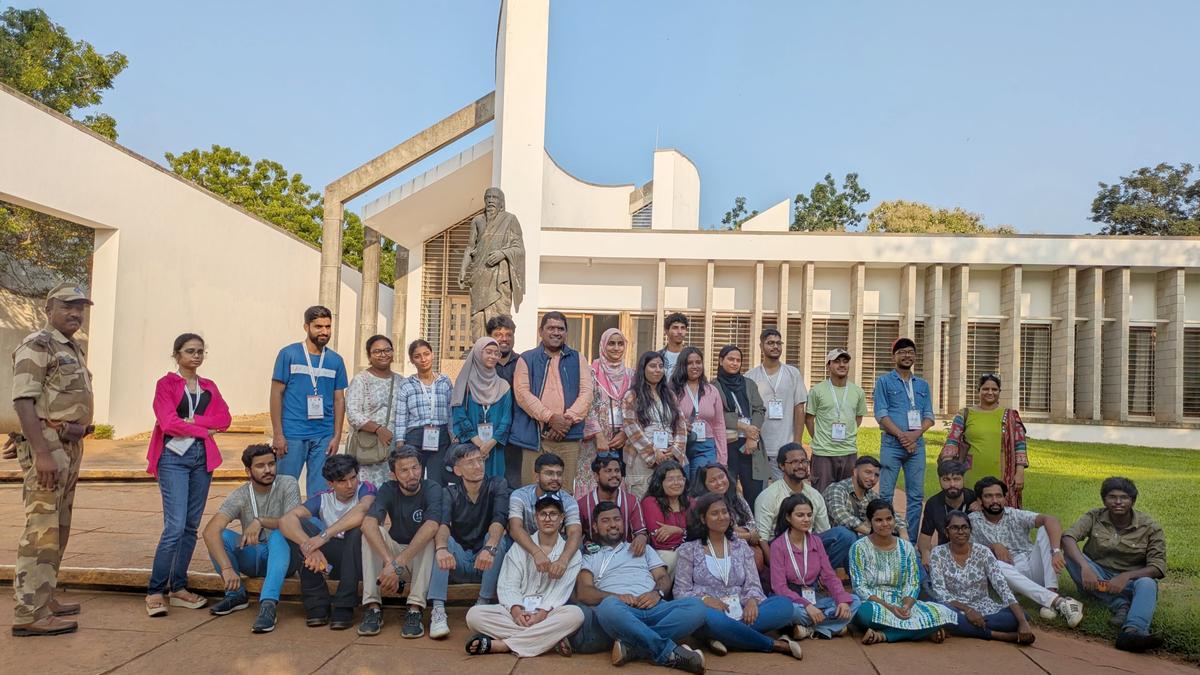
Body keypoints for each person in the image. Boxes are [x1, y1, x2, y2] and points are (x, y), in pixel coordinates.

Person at [8, 283, 95, 636]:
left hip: (68, 444)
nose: (76, 312)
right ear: (48, 309)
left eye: (80, 307)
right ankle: (29, 612)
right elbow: (23, 401)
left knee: (59, 525)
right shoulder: (38, 343)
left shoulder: (71, 347)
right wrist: (41, 452)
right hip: (49, 446)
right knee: (41, 529)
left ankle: (44, 596)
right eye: (67, 306)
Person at [145, 333, 232, 617]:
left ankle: (179, 587)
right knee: (174, 526)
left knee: (190, 526)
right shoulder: (166, 384)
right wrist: (204, 430)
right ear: (177, 354)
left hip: (201, 458)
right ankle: (155, 590)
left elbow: (225, 419)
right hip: (173, 457)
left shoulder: (208, 386)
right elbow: (168, 423)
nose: (196, 356)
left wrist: (194, 421)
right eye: (190, 351)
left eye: (200, 351)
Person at [571, 501, 708, 673]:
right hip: (621, 611)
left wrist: (657, 593)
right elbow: (584, 592)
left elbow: (662, 577)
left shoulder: (644, 549)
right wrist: (617, 597)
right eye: (605, 521)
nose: (613, 524)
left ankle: (633, 647)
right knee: (607, 607)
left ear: (623, 523)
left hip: (654, 606)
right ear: (595, 526)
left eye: (617, 519)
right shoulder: (591, 556)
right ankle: (667, 652)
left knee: (696, 606)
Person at [674, 493, 803, 659]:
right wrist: (705, 600)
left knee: (784, 605)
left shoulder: (741, 546)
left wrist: (751, 601)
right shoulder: (689, 550)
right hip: (712, 612)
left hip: (742, 610)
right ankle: (773, 645)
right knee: (708, 618)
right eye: (715, 513)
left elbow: (753, 584)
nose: (722, 517)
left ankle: (723, 637)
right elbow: (680, 592)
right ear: (703, 519)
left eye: (724, 512)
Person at [464, 493, 584, 657]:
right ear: (536, 518)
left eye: (553, 514)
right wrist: (516, 611)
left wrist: (541, 614)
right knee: (474, 616)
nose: (548, 519)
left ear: (562, 518)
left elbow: (561, 591)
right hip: (518, 611)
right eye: (543, 514)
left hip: (548, 614)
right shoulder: (520, 547)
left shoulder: (571, 554)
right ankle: (548, 639)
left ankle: (503, 645)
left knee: (575, 615)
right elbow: (508, 584)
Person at [201, 444, 302, 634]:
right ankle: (236, 595)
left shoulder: (288, 484)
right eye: (260, 466)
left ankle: (268, 604)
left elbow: (292, 523)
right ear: (248, 471)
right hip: (254, 555)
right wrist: (227, 568)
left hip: (284, 557)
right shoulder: (241, 494)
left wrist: (260, 521)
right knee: (220, 536)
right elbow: (209, 531)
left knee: (280, 533)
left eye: (271, 464)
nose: (268, 470)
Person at [1063, 477, 1166, 653]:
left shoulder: (1150, 527)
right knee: (1070, 556)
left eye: (1124, 497)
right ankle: (1120, 604)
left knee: (1148, 583)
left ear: (1133, 501)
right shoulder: (1094, 516)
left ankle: (1133, 632)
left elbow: (1157, 567)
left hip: (1129, 581)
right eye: (1112, 497)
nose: (1118, 502)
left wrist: (1126, 576)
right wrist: (1085, 567)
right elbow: (1068, 538)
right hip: (1096, 576)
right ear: (1104, 500)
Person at [276, 454, 376, 630]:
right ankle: (317, 603)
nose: (350, 485)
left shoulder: (366, 489)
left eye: (353, 478)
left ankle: (344, 605)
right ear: (331, 484)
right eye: (342, 481)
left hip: (362, 560)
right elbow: (286, 520)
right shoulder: (323, 498)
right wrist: (310, 547)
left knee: (356, 531)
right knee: (298, 528)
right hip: (332, 560)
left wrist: (323, 536)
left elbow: (362, 511)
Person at [970, 476, 1083, 627]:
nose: (994, 500)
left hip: (1031, 564)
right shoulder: (972, 521)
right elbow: (968, 551)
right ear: (979, 500)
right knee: (994, 565)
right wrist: (993, 546)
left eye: (998, 496)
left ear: (1005, 498)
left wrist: (1056, 551)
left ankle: (1050, 594)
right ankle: (1058, 602)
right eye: (988, 496)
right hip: (1009, 575)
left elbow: (1051, 520)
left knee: (1045, 529)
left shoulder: (1015, 514)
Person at [359, 446, 444, 639]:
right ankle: (373, 606)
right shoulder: (388, 489)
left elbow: (432, 525)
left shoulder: (432, 488)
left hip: (419, 561)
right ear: (393, 474)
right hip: (394, 556)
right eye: (404, 470)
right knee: (372, 532)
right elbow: (368, 523)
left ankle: (415, 608)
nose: (412, 475)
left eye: (415, 468)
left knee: (428, 535)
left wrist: (396, 565)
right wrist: (391, 563)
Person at [430, 443, 513, 634]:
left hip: (487, 562)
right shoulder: (449, 492)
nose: (478, 466)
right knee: (443, 541)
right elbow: (444, 524)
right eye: (470, 462)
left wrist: (489, 548)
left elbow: (499, 518)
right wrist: (441, 549)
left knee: (497, 539)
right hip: (458, 561)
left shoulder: (497, 485)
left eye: (480, 460)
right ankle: (438, 609)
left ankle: (482, 604)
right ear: (457, 470)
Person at [849, 499, 957, 645]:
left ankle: (884, 635)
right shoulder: (859, 548)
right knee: (864, 614)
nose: (885, 524)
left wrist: (906, 606)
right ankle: (923, 630)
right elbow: (859, 587)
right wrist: (889, 607)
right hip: (875, 604)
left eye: (889, 518)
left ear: (894, 519)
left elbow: (912, 582)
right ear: (870, 522)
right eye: (879, 520)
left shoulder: (906, 547)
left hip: (901, 601)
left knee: (943, 612)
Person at [270, 305, 348, 496]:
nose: (324, 332)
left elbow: (339, 400)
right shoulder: (289, 354)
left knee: (321, 492)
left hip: (324, 436)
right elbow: (276, 394)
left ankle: (315, 517)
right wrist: (278, 434)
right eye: (318, 326)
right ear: (306, 327)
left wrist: (336, 436)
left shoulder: (336, 360)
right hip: (292, 433)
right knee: (284, 489)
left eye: (328, 327)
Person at [511, 311, 594, 489]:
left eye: (560, 329)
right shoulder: (527, 359)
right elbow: (522, 394)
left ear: (566, 332)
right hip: (535, 437)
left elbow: (587, 392)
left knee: (564, 491)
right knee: (532, 490)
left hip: (568, 436)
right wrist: (550, 418)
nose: (556, 332)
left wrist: (566, 421)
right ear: (540, 331)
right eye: (551, 328)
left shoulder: (578, 358)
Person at [931, 511, 1035, 644]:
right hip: (955, 608)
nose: (960, 532)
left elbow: (1002, 587)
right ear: (946, 532)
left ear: (970, 530)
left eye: (965, 527)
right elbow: (940, 592)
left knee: (1022, 616)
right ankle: (997, 635)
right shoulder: (937, 554)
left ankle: (961, 629)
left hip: (985, 609)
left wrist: (1022, 622)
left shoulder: (983, 552)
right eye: (955, 528)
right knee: (941, 612)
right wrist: (968, 610)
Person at [753, 443, 856, 570]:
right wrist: (777, 571)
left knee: (845, 536)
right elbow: (762, 539)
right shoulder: (768, 496)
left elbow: (823, 532)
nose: (801, 466)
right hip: (781, 550)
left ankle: (817, 575)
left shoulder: (814, 495)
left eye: (804, 461)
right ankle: (802, 576)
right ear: (781, 466)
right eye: (794, 462)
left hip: (808, 547)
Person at [770, 493, 860, 639]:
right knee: (789, 611)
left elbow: (829, 576)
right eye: (800, 515)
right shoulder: (778, 546)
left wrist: (842, 599)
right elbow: (779, 587)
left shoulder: (816, 542)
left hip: (815, 598)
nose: (806, 519)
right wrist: (806, 606)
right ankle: (830, 626)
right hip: (791, 600)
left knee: (854, 601)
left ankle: (810, 629)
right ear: (788, 517)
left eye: (809, 515)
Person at [873, 337, 934, 543]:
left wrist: (914, 436)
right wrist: (902, 436)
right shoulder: (883, 382)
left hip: (917, 446)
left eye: (910, 352)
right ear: (894, 357)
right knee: (885, 495)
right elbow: (881, 414)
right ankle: (886, 539)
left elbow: (929, 416)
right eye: (902, 352)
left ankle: (910, 541)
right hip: (892, 445)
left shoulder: (923, 385)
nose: (907, 355)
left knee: (916, 496)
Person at [940, 374, 1030, 507]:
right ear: (979, 390)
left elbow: (1019, 444)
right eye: (985, 389)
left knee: (997, 511)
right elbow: (952, 440)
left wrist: (1020, 472)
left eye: (994, 389)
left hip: (1003, 475)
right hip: (971, 473)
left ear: (999, 391)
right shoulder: (965, 414)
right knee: (970, 511)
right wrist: (947, 467)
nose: (990, 392)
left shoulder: (1010, 416)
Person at [458, 187, 526, 339]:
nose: (490, 201)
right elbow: (470, 246)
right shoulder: (477, 221)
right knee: (478, 316)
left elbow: (519, 249)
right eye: (487, 197)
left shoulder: (510, 220)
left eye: (494, 198)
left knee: (500, 315)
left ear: (501, 203)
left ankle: (499, 345)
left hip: (499, 278)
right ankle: (480, 346)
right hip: (479, 274)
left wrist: (503, 253)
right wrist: (463, 269)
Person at [508, 453, 584, 584]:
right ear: (536, 476)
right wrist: (536, 552)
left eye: (559, 474)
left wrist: (563, 560)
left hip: (555, 547)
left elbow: (575, 532)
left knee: (578, 545)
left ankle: (574, 592)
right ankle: (490, 593)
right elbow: (515, 528)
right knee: (502, 543)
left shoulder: (569, 501)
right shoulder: (520, 496)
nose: (555, 478)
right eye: (549, 473)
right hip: (525, 545)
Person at [621, 351, 688, 497]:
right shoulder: (632, 395)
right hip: (641, 457)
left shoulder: (669, 395)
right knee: (642, 500)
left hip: (669, 456)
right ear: (643, 369)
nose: (657, 370)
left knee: (668, 501)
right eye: (652, 366)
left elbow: (681, 425)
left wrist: (675, 450)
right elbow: (631, 427)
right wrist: (653, 452)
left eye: (660, 366)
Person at [745, 327, 806, 479]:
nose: (775, 346)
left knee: (787, 489)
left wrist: (797, 443)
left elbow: (799, 409)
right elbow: (747, 413)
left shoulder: (793, 373)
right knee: (760, 490)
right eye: (770, 343)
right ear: (761, 346)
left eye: (779, 343)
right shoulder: (750, 376)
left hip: (786, 447)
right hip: (760, 447)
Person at [579, 327, 634, 494]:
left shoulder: (632, 376)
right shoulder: (591, 373)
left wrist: (625, 432)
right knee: (593, 482)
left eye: (620, 344)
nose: (616, 348)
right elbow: (585, 405)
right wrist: (599, 435)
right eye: (611, 343)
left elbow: (638, 408)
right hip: (595, 442)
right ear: (603, 345)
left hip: (624, 441)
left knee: (619, 483)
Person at [450, 336, 513, 480]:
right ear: (478, 353)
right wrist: (479, 443)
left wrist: (489, 444)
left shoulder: (503, 386)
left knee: (494, 484)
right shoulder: (465, 384)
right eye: (488, 352)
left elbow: (506, 419)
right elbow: (459, 415)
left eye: (496, 353)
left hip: (494, 448)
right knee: (471, 483)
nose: (493, 356)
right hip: (470, 446)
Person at [805, 348, 867, 492]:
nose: (842, 365)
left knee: (849, 495)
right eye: (837, 361)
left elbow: (858, 417)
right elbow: (809, 418)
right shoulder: (817, 390)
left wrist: (848, 434)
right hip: (823, 453)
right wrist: (819, 438)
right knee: (821, 494)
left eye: (845, 361)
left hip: (848, 452)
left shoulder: (858, 392)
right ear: (828, 365)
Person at [345, 334, 403, 488]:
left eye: (387, 350)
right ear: (369, 356)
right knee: (368, 491)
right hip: (368, 447)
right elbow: (353, 413)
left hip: (393, 447)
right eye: (377, 351)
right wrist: (378, 429)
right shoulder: (361, 380)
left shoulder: (401, 381)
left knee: (391, 490)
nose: (383, 354)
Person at [712, 345, 767, 506]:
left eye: (738, 360)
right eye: (730, 359)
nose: (735, 363)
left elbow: (759, 410)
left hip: (750, 444)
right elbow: (717, 415)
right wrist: (745, 427)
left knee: (754, 491)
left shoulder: (749, 384)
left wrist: (752, 436)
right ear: (721, 361)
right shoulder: (713, 386)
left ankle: (753, 521)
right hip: (728, 444)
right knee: (727, 489)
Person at [396, 340, 454, 487]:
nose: (423, 359)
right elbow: (401, 416)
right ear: (411, 360)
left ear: (432, 355)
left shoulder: (445, 381)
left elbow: (451, 411)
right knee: (413, 480)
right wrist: (400, 443)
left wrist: (453, 435)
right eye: (417, 356)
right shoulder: (406, 384)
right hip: (414, 437)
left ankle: (437, 503)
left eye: (426, 354)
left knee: (437, 481)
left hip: (440, 436)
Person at [689, 463, 765, 568]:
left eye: (721, 477)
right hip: (712, 547)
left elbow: (752, 525)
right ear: (704, 484)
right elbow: (716, 533)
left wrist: (734, 529)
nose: (719, 482)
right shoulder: (700, 503)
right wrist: (748, 535)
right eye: (712, 480)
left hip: (743, 543)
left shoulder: (736, 496)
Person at [670, 347, 727, 482]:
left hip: (705, 446)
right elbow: (664, 420)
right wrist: (679, 425)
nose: (695, 366)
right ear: (682, 366)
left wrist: (722, 458)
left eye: (698, 362)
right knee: (681, 485)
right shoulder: (672, 390)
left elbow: (719, 426)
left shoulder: (711, 391)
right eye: (690, 363)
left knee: (701, 485)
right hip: (679, 444)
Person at [577, 452, 649, 552]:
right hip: (593, 555)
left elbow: (641, 531)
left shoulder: (632, 501)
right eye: (608, 471)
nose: (614, 475)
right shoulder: (582, 504)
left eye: (617, 470)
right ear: (596, 476)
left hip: (625, 554)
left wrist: (641, 538)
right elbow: (574, 535)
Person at [487, 314, 524, 489]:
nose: (504, 339)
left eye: (509, 335)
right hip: (489, 432)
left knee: (514, 482)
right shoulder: (481, 365)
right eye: (498, 335)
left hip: (516, 433)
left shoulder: (523, 363)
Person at [918, 460, 978, 568]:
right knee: (917, 559)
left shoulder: (974, 499)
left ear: (963, 479)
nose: (952, 484)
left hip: (973, 554)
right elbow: (925, 536)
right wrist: (925, 553)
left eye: (956, 479)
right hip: (945, 555)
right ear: (939, 480)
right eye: (946, 479)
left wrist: (981, 505)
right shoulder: (933, 504)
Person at [824, 456, 899, 538]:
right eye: (868, 472)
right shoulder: (837, 489)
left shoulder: (871, 495)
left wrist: (903, 534)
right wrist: (875, 534)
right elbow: (840, 515)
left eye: (876, 475)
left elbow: (892, 515)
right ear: (855, 472)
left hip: (859, 538)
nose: (872, 478)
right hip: (831, 540)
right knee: (846, 534)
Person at [640, 460, 690, 574]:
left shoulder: (690, 502)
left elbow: (700, 532)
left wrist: (678, 531)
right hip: (662, 555)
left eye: (680, 478)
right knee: (669, 556)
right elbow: (660, 541)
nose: (676, 483)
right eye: (670, 479)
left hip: (688, 552)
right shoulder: (651, 502)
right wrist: (687, 534)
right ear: (660, 482)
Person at [660, 312, 689, 378]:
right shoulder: (658, 357)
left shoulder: (691, 356)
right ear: (666, 331)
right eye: (675, 328)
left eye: (683, 328)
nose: (680, 332)